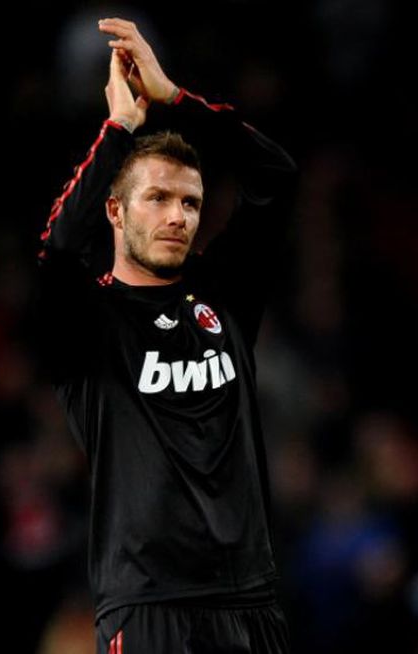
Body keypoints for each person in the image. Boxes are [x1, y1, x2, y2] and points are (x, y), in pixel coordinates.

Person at [36, 16, 297, 653]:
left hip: (251, 600)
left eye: (190, 202)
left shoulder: (225, 294)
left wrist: (175, 98)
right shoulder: (89, 322)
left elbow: (276, 176)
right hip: (149, 606)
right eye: (157, 198)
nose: (178, 215)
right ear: (116, 211)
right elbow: (60, 248)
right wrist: (122, 127)